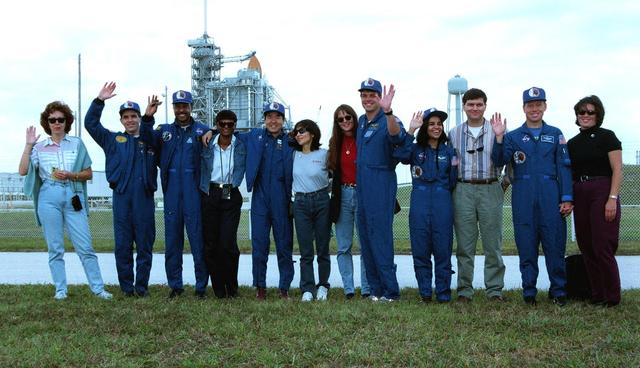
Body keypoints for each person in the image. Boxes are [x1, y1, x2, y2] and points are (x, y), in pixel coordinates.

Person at [19, 101, 112, 300]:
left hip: (72, 195)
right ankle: (60, 290)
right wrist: (28, 146)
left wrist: (71, 175)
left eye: (61, 119)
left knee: (85, 246)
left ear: (66, 121)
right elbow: (23, 170)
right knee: (55, 248)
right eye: (52, 120)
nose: (57, 123)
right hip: (48, 197)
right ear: (47, 123)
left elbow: (88, 173)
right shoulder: (39, 147)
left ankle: (98, 289)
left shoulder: (77, 143)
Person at [491, 87, 573, 306]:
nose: (534, 109)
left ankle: (558, 291)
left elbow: (564, 167)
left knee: (554, 245)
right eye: (530, 105)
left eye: (539, 104)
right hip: (523, 196)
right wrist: (499, 138)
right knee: (526, 246)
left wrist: (566, 197)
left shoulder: (555, 134)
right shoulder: (513, 136)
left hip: (550, 194)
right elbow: (499, 161)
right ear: (524, 108)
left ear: (545, 106)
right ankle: (529, 291)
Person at [84, 82, 160, 297]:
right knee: (123, 246)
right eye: (125, 117)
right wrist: (99, 101)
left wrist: (148, 117)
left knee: (145, 245)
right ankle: (127, 288)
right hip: (122, 197)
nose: (130, 120)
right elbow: (90, 124)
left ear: (139, 118)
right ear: (121, 120)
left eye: (133, 116)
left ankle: (141, 288)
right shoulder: (112, 140)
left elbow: (149, 132)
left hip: (144, 198)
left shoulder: (150, 140)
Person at [139, 90, 209, 298]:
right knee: (172, 242)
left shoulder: (201, 130)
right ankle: (176, 286)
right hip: (171, 192)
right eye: (177, 106)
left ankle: (200, 287)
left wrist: (212, 131)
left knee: (198, 241)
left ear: (191, 107)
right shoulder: (164, 131)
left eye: (185, 106)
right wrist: (148, 117)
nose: (181, 110)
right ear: (173, 108)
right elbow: (146, 138)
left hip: (194, 192)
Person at [447, 88, 506, 302]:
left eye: (479, 104)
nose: (474, 108)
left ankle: (494, 290)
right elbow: (450, 163)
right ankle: (464, 290)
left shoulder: (497, 130)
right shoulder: (453, 133)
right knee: (465, 244)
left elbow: (506, 162)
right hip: (463, 188)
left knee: (493, 243)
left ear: (485, 106)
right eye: (470, 104)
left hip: (490, 186)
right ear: (463, 106)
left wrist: (501, 186)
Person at [394, 108, 458, 303]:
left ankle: (443, 293)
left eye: (439, 124)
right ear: (425, 126)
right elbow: (400, 155)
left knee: (442, 250)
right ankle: (425, 292)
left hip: (442, 202)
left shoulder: (450, 151)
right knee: (420, 249)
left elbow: (453, 180)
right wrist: (410, 131)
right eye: (431, 124)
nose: (436, 127)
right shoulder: (414, 149)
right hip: (419, 202)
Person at [567, 95, 622, 307]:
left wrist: (612, 198)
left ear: (598, 114)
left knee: (602, 246)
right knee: (586, 244)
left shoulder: (607, 137)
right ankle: (597, 294)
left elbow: (617, 169)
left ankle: (612, 296)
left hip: (602, 190)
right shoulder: (572, 143)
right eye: (582, 112)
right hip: (580, 191)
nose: (586, 116)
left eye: (590, 112)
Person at [356, 78, 405, 302]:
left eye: (372, 95)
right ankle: (375, 290)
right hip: (363, 184)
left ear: (379, 97)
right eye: (364, 95)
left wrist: (389, 111)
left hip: (381, 180)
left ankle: (390, 291)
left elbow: (397, 137)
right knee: (366, 237)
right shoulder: (361, 122)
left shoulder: (388, 119)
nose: (367, 99)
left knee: (381, 238)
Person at [240, 102, 295, 300]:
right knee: (260, 244)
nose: (273, 121)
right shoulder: (254, 136)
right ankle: (260, 287)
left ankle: (284, 288)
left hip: (282, 198)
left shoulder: (291, 140)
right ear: (264, 119)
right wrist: (209, 132)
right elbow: (229, 134)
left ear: (283, 120)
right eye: (269, 117)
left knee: (284, 244)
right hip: (260, 197)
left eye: (277, 117)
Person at [199, 109, 247, 298]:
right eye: (222, 124)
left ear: (235, 126)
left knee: (228, 244)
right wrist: (210, 130)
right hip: (211, 191)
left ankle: (231, 287)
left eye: (230, 124)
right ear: (217, 125)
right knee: (211, 244)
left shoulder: (242, 144)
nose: (226, 128)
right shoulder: (206, 142)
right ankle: (218, 288)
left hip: (230, 191)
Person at [327, 104, 370, 300]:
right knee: (343, 245)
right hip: (342, 195)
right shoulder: (334, 143)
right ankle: (349, 289)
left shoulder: (363, 140)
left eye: (348, 118)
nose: (345, 122)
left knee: (365, 244)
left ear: (354, 118)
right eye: (340, 119)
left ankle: (367, 288)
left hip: (362, 193)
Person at [290, 119, 331, 302]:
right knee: (306, 250)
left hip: (322, 201)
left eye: (302, 131)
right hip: (300, 202)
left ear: (312, 134)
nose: (298, 134)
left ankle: (323, 285)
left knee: (322, 247)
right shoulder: (293, 155)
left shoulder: (324, 154)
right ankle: (307, 287)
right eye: (296, 132)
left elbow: (334, 178)